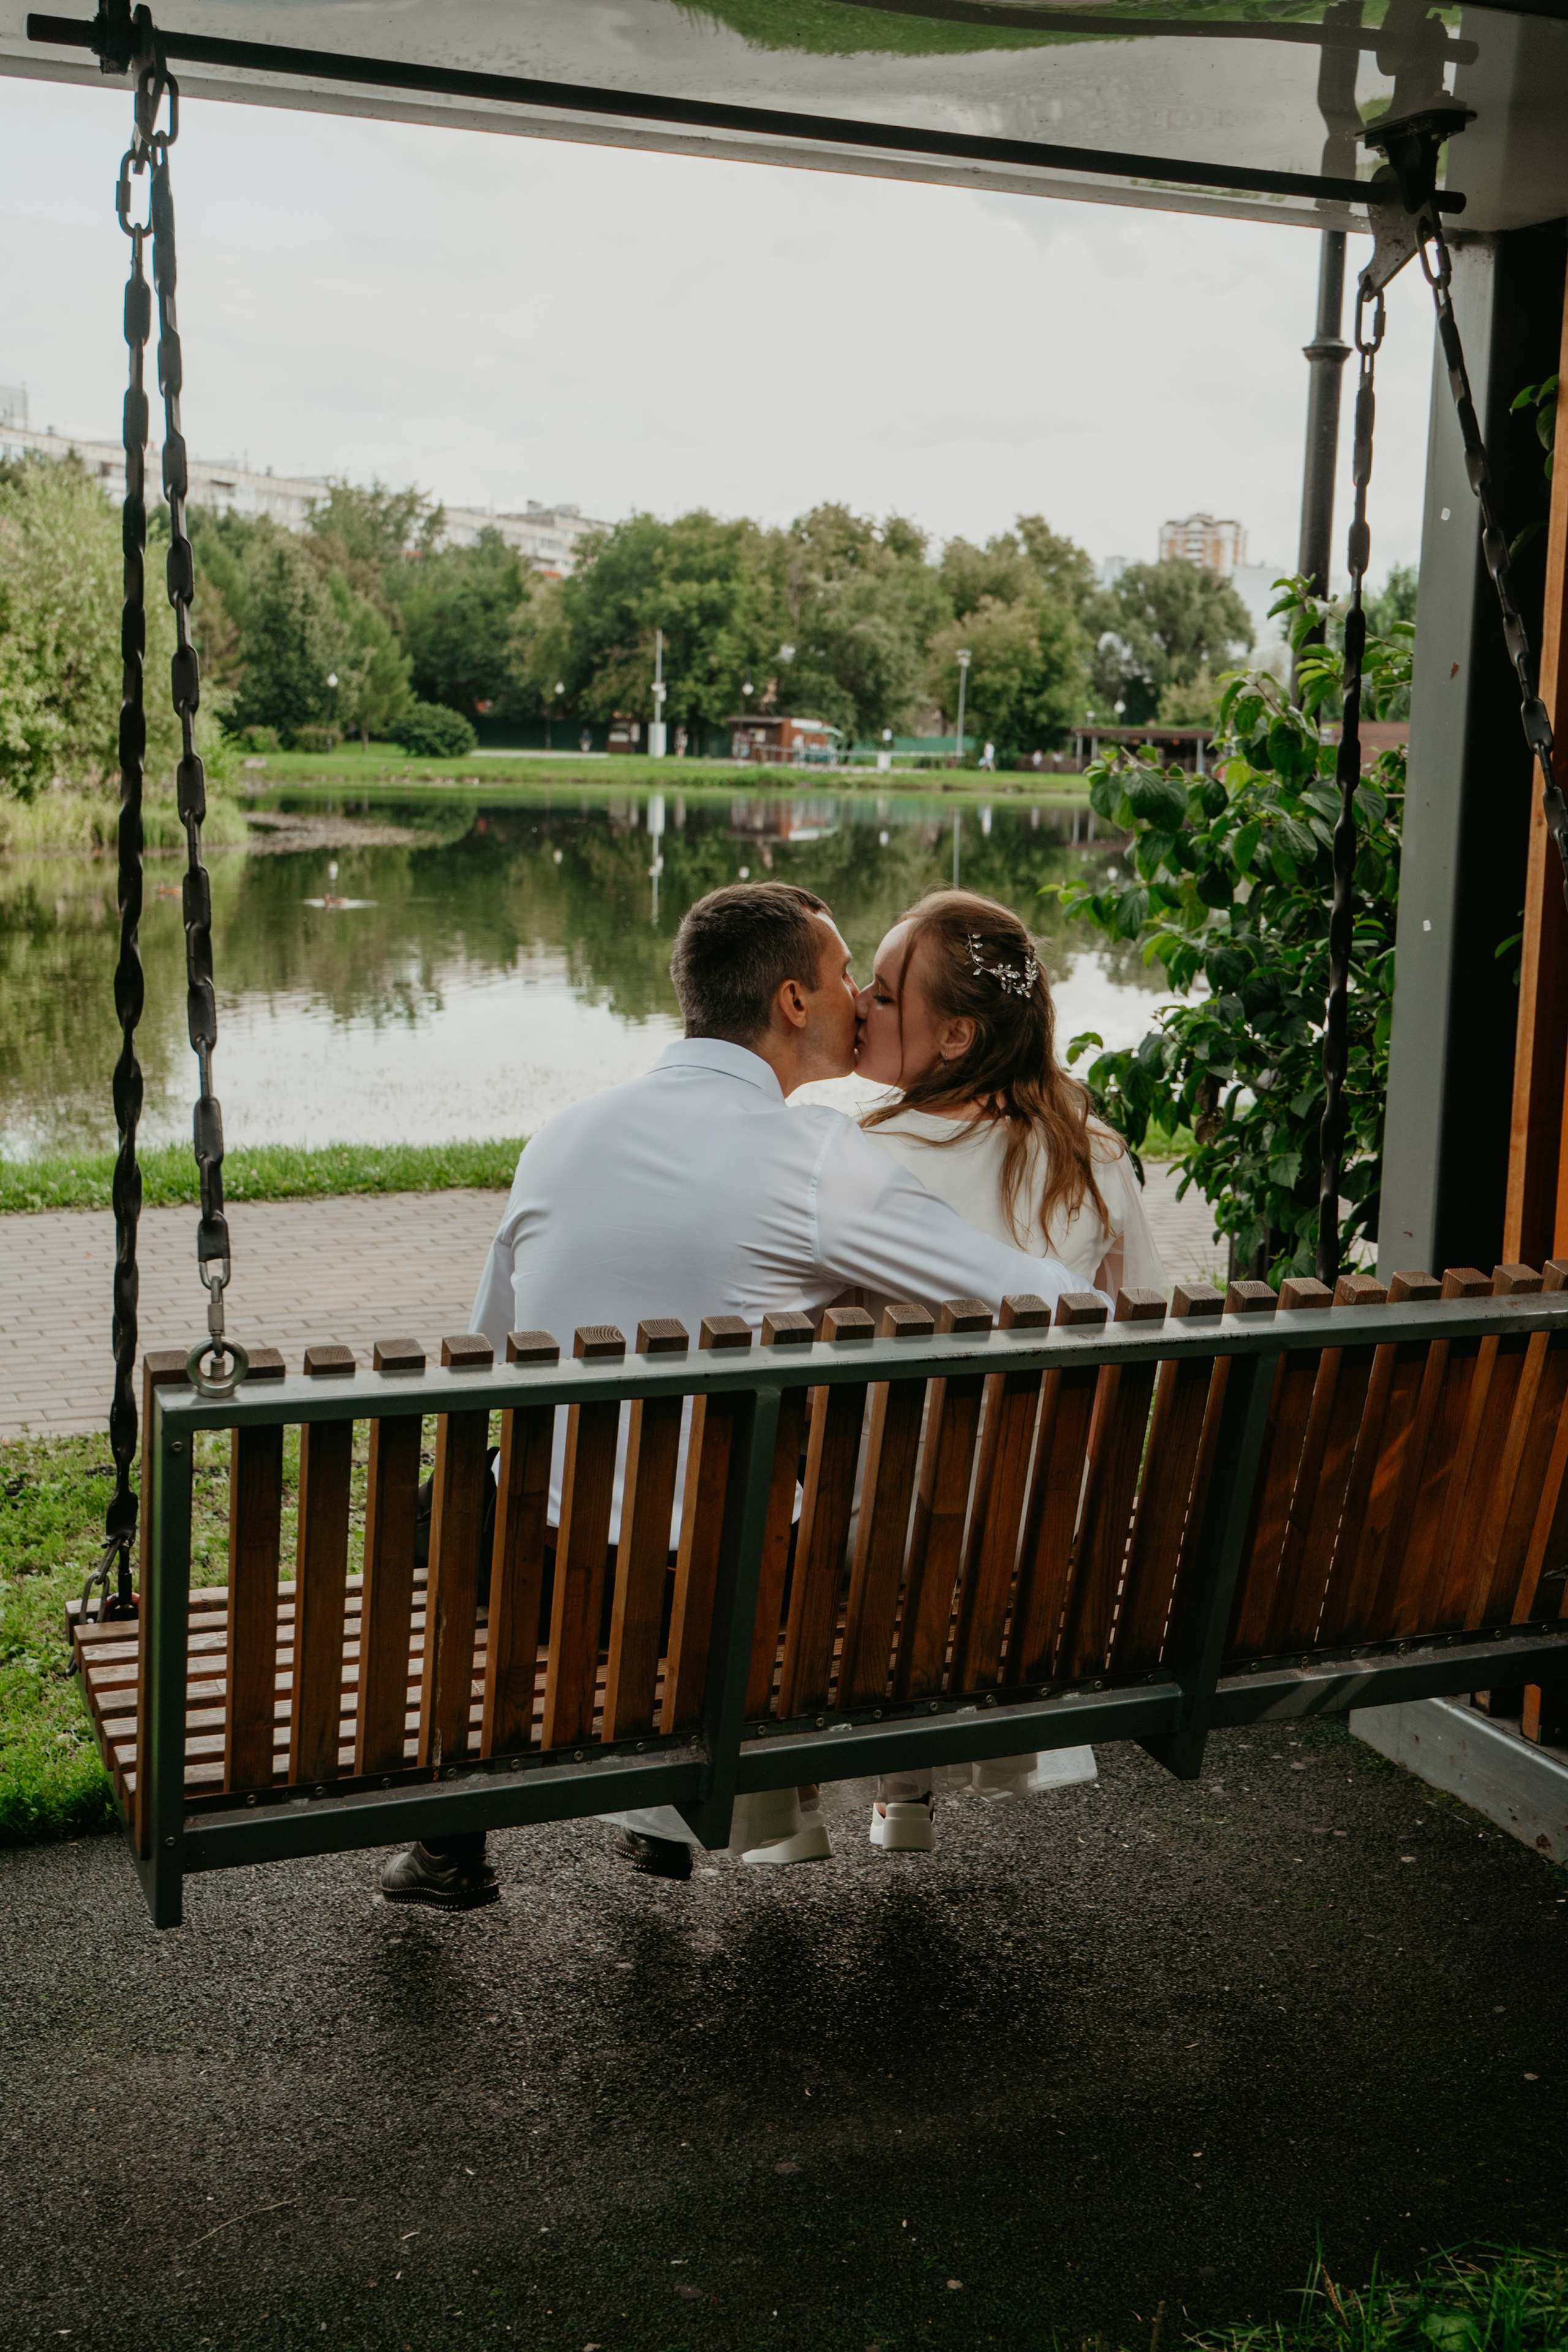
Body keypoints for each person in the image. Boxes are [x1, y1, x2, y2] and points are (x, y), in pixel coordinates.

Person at [379, 881, 1087, 1911]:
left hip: (545, 1575)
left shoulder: (561, 1137)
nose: (862, 998)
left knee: (486, 1491)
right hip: (709, 1594)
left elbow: (488, 1358)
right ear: (795, 1002)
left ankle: (453, 1839)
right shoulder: (812, 1160)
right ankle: (647, 1811)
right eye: (849, 976)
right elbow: (1024, 1299)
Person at [848, 886, 1164, 1853]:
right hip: (1037, 1549)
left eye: (886, 992)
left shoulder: (857, 1158)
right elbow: (1151, 1325)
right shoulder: (1095, 1155)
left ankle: (869, 1788)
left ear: (954, 1038)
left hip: (875, 1560)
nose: (859, 1000)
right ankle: (906, 1792)